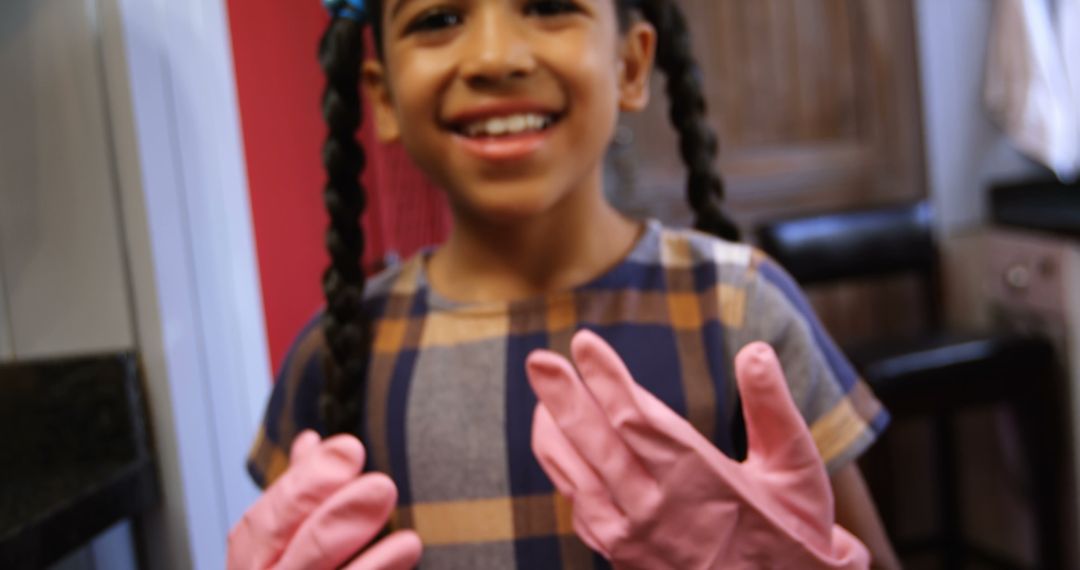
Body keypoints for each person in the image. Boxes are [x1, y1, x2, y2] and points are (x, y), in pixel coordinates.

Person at [230, 0, 902, 567]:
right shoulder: (336, 355)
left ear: (632, 65)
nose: (494, 58)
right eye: (438, 17)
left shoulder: (739, 309)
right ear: (382, 96)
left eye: (550, 5)